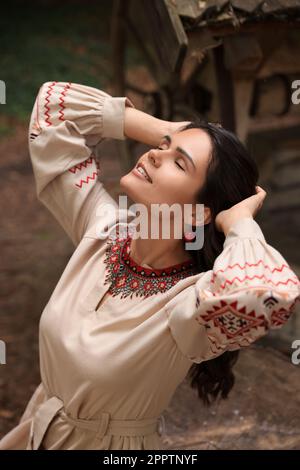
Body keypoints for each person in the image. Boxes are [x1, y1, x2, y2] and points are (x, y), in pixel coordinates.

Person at [0, 81, 299, 450]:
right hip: (36, 433)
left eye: (179, 162)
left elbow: (270, 294)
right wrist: (170, 130)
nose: (155, 154)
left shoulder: (190, 305)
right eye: (161, 148)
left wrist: (239, 223)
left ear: (200, 212)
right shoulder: (105, 231)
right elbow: (53, 115)